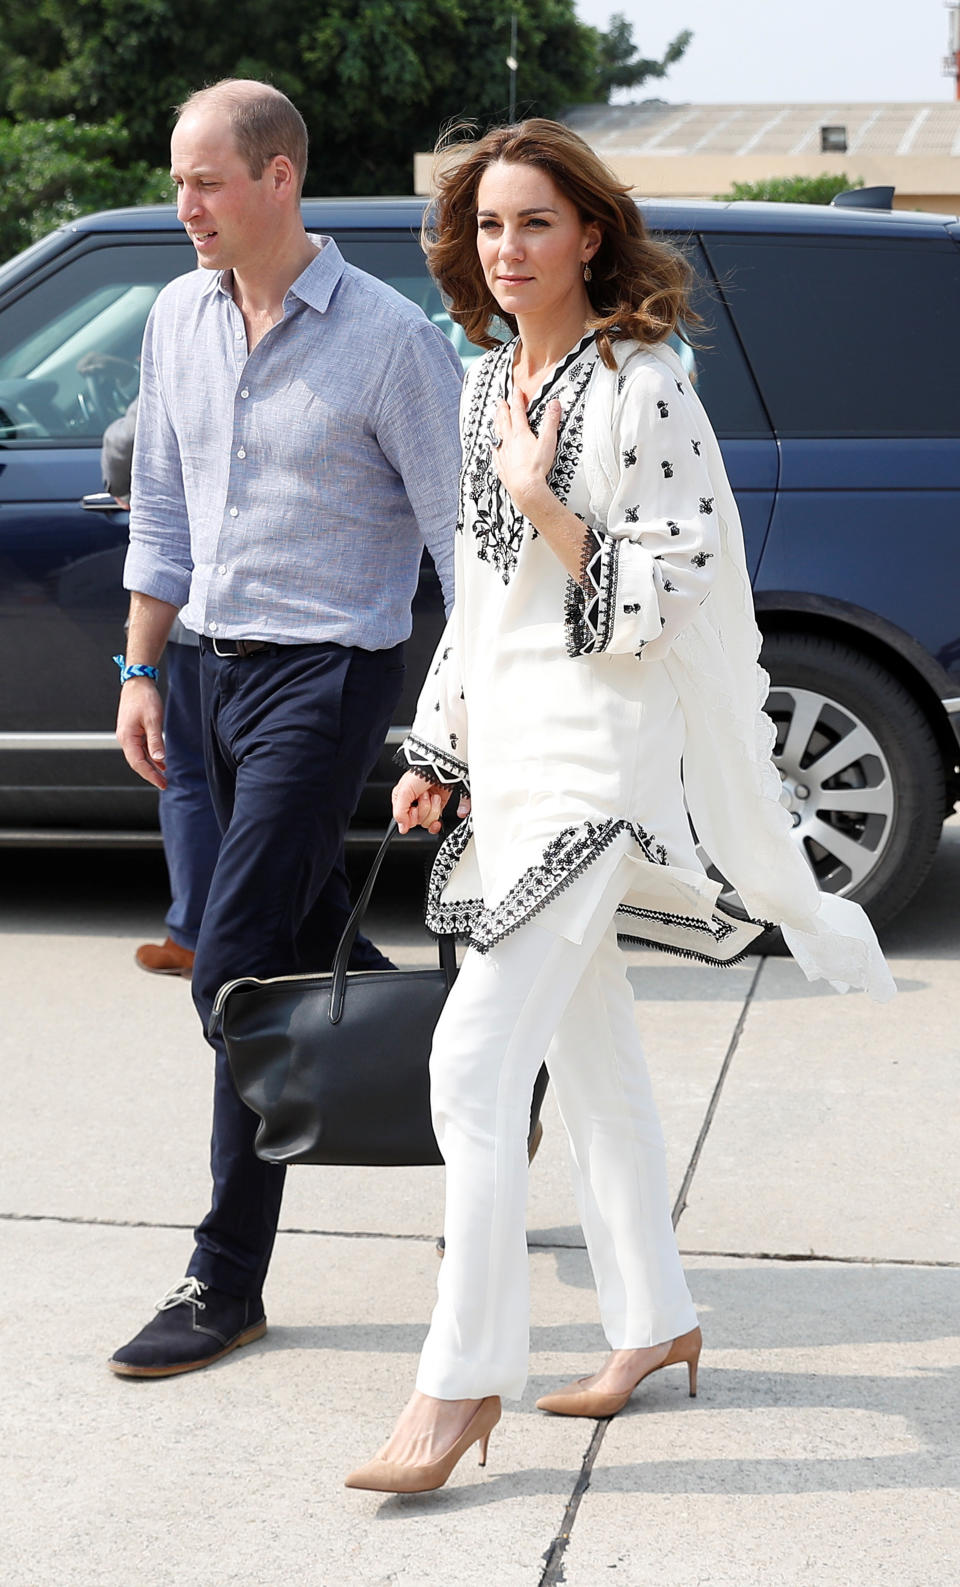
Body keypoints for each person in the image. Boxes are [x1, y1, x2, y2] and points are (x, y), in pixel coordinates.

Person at [344, 119, 895, 1495]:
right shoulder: (484, 386)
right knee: (591, 1062)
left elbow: (673, 590)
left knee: (472, 1064)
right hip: (515, 749)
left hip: (601, 757)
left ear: (592, 232)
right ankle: (654, 1320)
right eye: (486, 228)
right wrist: (441, 742)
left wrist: (550, 505)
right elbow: (480, 594)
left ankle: (462, 1377)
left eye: (535, 222)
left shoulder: (645, 385)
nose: (508, 250)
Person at [110, 79, 462, 1378]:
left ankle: (226, 1275)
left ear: (279, 180)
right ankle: (465, 1073)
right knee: (299, 930)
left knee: (234, 965)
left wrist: (450, 727)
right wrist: (138, 669)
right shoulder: (175, 318)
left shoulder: (386, 338)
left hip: (330, 673)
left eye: (206, 180)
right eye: (178, 178)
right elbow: (163, 509)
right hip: (204, 670)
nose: (184, 205)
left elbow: (457, 543)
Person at [103, 397, 221, 977]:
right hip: (274, 614)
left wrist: (122, 485)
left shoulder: (186, 331)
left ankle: (194, 934)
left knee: (191, 776)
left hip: (194, 608)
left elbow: (126, 443)